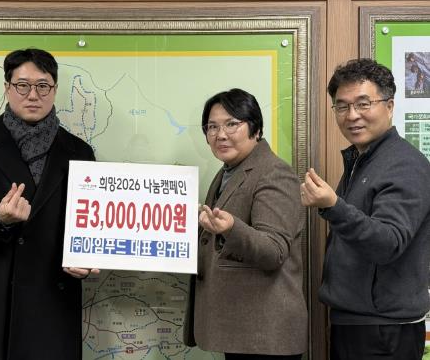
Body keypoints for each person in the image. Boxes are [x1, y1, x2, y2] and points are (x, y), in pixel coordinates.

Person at [0, 48, 97, 359]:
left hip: (54, 288)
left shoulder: (79, 151)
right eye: (22, 85)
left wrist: (86, 257)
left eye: (43, 86)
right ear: (7, 87)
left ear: (54, 89)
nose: (33, 95)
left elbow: (89, 222)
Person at [301, 58, 430, 360]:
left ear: (389, 106)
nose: (352, 115)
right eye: (342, 106)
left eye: (363, 104)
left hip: (383, 330)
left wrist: (333, 206)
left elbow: (388, 242)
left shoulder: (404, 164)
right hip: (361, 321)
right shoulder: (366, 158)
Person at [184, 88, 307, 359]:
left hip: (266, 334)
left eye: (231, 124)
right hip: (244, 330)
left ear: (256, 128)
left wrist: (231, 228)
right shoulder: (229, 171)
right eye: (212, 127)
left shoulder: (274, 173)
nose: (221, 134)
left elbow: (273, 251)